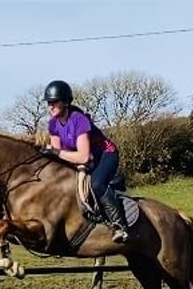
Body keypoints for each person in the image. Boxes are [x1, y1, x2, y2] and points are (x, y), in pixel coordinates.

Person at [40, 79, 129, 242]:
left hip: (105, 154)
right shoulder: (53, 124)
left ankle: (120, 226)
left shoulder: (79, 120)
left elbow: (83, 156)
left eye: (54, 102)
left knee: (96, 184)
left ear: (65, 102)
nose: (50, 106)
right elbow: (58, 155)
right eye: (48, 103)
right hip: (83, 159)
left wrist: (56, 152)